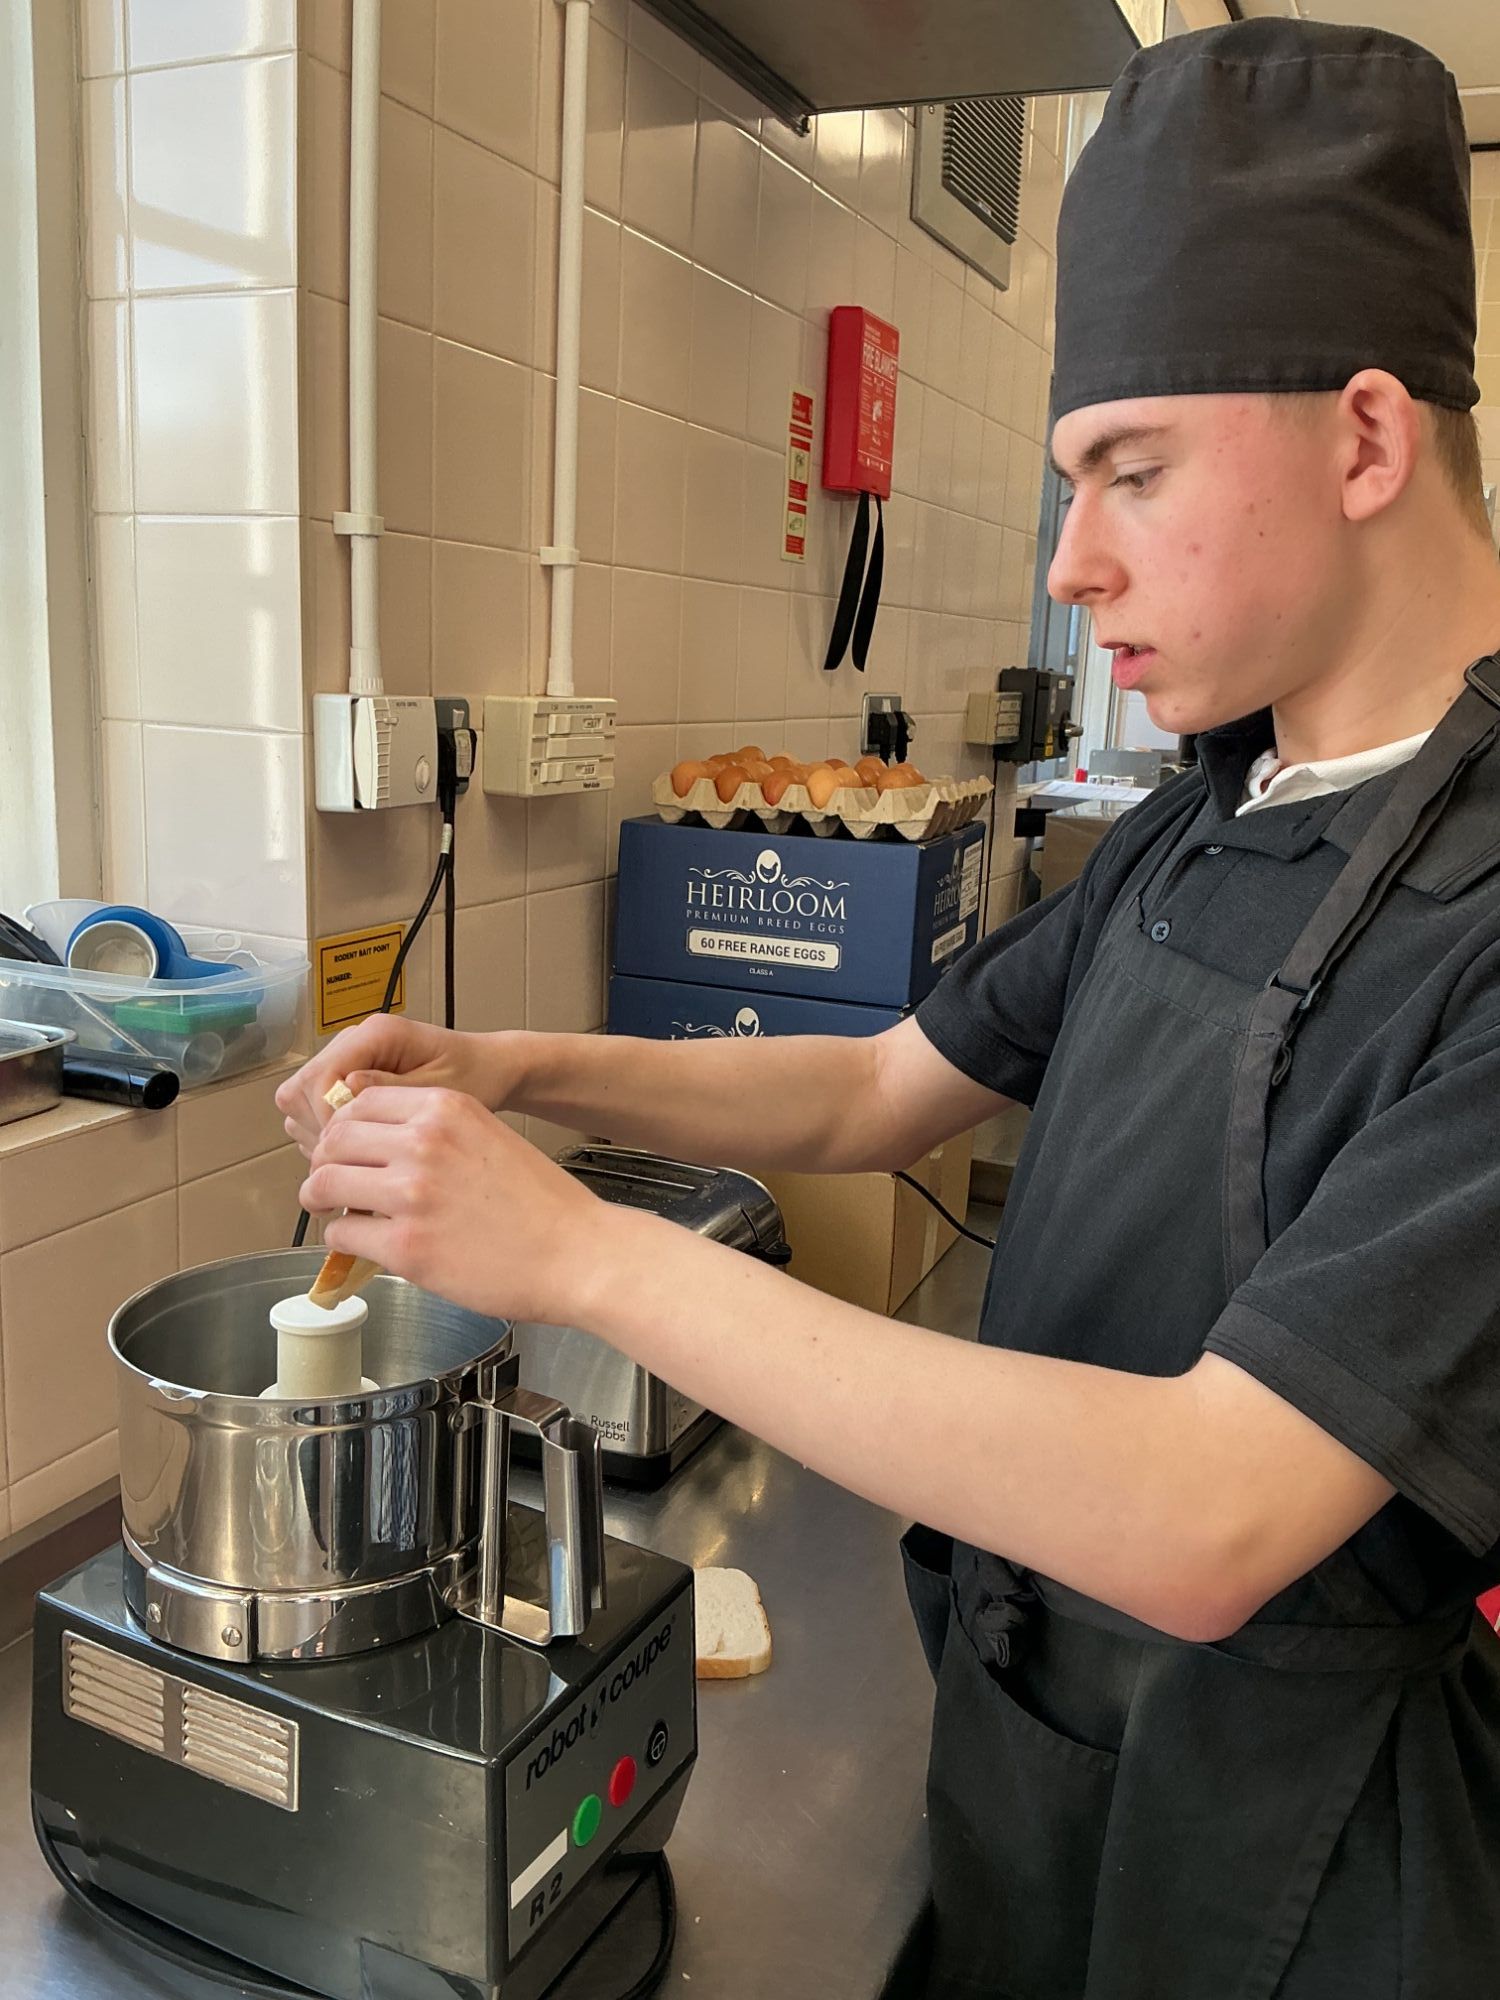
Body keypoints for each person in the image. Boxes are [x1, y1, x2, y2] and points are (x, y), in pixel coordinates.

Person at [279, 19, 1500, 1995]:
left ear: (1367, 439)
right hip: (1034, 1746)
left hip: (1300, 1848)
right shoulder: (1205, 825)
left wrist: (578, 1254)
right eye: (1065, 483)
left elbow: (1211, 1509)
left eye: (1130, 470)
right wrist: (516, 1064)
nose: (1073, 564)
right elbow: (867, 1082)